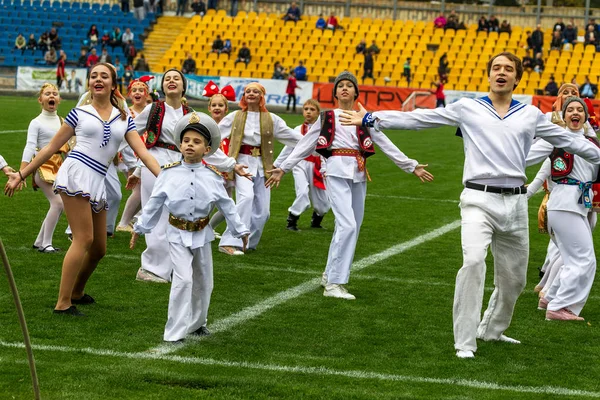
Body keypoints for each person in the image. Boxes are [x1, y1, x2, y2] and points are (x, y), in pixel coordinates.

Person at [338, 52, 600, 358]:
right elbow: (422, 118)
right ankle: (464, 342)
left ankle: (493, 330)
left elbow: (574, 142)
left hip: (515, 203)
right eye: (496, 68)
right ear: (488, 75)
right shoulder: (468, 108)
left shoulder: (531, 115)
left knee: (514, 280)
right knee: (474, 262)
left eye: (508, 69)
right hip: (477, 199)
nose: (501, 73)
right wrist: (371, 117)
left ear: (517, 78)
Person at [4, 63, 162, 316]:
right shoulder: (79, 112)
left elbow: (143, 152)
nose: (97, 79)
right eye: (93, 76)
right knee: (83, 238)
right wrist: (21, 173)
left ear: (113, 83)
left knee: (99, 247)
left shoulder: (124, 117)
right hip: (76, 173)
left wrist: (164, 178)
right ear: (89, 83)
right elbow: (50, 148)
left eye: (104, 76)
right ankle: (63, 302)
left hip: (97, 179)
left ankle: (77, 291)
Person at [266, 71, 433, 300]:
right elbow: (305, 145)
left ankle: (329, 274)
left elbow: (384, 142)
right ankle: (335, 284)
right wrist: (283, 167)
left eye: (349, 85)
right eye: (340, 86)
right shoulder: (327, 117)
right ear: (335, 93)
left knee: (350, 227)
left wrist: (411, 165)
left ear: (356, 91)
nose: (344, 88)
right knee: (347, 226)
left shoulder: (364, 117)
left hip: (358, 172)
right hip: (334, 171)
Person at [131, 112, 249, 344]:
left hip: (202, 235)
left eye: (196, 142)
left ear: (207, 149)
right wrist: (140, 227)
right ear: (180, 144)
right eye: (186, 141)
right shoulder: (169, 173)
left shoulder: (213, 176)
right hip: (176, 233)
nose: (190, 145)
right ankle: (174, 332)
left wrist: (240, 231)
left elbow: (227, 206)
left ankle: (197, 324)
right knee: (183, 280)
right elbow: (154, 203)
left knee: (205, 281)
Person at [131, 69, 247, 283]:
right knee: (156, 213)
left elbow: (206, 144)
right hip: (155, 161)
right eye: (167, 79)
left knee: (176, 215)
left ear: (184, 86)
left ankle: (172, 267)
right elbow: (130, 131)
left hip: (181, 166)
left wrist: (232, 164)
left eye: (176, 78)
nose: (171, 81)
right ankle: (151, 268)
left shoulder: (191, 114)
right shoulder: (153, 109)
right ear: (163, 86)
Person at [526, 97, 598, 321]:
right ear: (563, 116)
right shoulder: (555, 139)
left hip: (579, 204)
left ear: (586, 116)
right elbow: (532, 161)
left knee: (571, 258)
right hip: (564, 203)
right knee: (585, 260)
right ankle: (559, 307)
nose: (575, 113)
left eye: (580, 110)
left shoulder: (592, 143)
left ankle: (549, 298)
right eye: (570, 110)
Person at [216, 82, 303, 256]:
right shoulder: (235, 116)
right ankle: (229, 242)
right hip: (242, 164)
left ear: (262, 96)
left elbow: (292, 137)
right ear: (244, 96)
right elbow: (215, 134)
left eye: (255, 91)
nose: (251, 94)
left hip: (263, 167)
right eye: (248, 91)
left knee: (264, 212)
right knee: (246, 198)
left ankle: (249, 242)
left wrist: (317, 146)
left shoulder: (271, 119)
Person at [20, 84, 68, 253]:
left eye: (55, 93)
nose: (51, 96)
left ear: (59, 100)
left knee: (58, 204)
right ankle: (46, 243)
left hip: (59, 167)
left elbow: (67, 147)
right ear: (40, 100)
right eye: (47, 94)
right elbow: (29, 146)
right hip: (43, 167)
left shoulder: (63, 121)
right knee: (58, 203)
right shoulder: (36, 122)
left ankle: (40, 241)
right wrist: (22, 172)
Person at [274, 99, 329, 231]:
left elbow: (325, 151)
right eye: (306, 109)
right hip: (300, 164)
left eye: (312, 109)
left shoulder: (323, 129)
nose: (308, 112)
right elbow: (288, 148)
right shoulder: (298, 129)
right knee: (302, 192)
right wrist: (276, 165)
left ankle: (316, 219)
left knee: (324, 203)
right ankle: (292, 220)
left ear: (318, 113)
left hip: (317, 165)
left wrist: (325, 168)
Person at [115, 76, 154, 233]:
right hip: (130, 156)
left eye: (141, 90)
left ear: (147, 94)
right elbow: (123, 135)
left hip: (146, 155)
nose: (137, 92)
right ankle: (124, 223)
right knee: (138, 189)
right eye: (134, 90)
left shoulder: (151, 111)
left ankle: (135, 219)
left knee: (141, 189)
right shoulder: (127, 112)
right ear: (129, 94)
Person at [202, 81, 237, 237]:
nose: (217, 108)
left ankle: (208, 227)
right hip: (208, 170)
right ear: (209, 108)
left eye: (220, 105)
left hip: (227, 170)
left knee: (228, 205)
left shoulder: (233, 127)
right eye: (214, 105)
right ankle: (200, 227)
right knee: (207, 203)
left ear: (226, 109)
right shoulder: (204, 125)